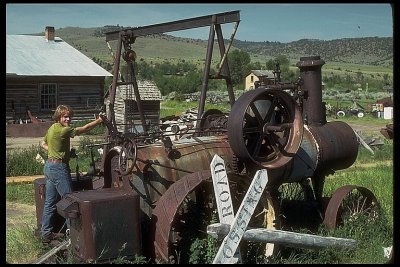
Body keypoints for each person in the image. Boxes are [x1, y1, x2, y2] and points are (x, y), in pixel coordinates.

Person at [40, 104, 104, 243]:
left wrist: (56, 152)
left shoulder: (52, 128)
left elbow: (42, 143)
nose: (68, 119)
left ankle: (45, 234)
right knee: (70, 202)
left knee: (50, 203)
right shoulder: (63, 131)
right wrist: (99, 121)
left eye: (69, 117)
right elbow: (83, 129)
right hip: (58, 169)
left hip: (49, 166)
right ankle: (74, 238)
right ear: (59, 117)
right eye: (65, 116)